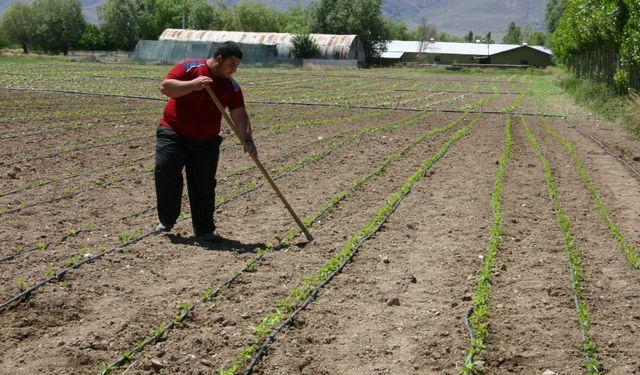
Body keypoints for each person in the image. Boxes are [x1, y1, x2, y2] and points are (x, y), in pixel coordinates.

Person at [154, 41, 257, 241]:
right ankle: (166, 220)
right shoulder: (190, 67)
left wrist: (247, 140)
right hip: (173, 132)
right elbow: (166, 87)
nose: (234, 70)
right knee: (165, 171)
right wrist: (194, 85)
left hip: (206, 141)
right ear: (219, 59)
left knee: (203, 185)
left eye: (236, 66)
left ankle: (204, 230)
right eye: (231, 65)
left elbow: (240, 115)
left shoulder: (232, 87)